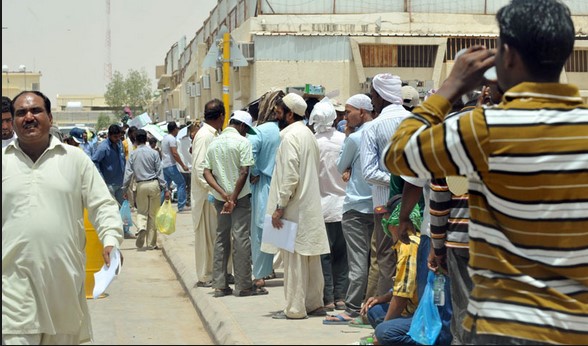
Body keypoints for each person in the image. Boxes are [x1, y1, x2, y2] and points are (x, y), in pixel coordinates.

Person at [384, 0, 587, 343]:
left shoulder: (483, 130)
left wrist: (450, 88)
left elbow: (400, 154)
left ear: (507, 56)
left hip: (502, 324)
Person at [2, 91, 123, 345]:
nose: (29, 117)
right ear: (12, 121)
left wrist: (110, 238)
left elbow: (102, 205)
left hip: (63, 290)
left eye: (35, 111)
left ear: (50, 117)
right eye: (21, 113)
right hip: (13, 294)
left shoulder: (75, 159)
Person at [262, 93, 330, 320]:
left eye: (279, 113)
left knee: (294, 261)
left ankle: (294, 308)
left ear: (291, 114)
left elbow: (290, 176)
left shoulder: (291, 138)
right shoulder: (307, 134)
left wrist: (280, 206)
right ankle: (313, 303)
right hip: (308, 205)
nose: (276, 116)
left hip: (294, 207)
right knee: (310, 258)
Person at [325, 94, 374, 324]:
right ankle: (370, 305)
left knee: (357, 261)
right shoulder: (381, 130)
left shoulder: (355, 138)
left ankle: (353, 308)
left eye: (348, 111)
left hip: (356, 206)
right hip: (379, 204)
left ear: (361, 112)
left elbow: (340, 165)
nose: (345, 116)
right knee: (376, 261)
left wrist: (347, 137)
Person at [362, 73, 413, 297]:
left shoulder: (373, 127)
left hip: (384, 206)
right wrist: (406, 181)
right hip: (415, 202)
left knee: (386, 258)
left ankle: (384, 316)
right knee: (412, 256)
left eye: (373, 95)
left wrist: (395, 180)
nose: (372, 100)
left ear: (381, 97)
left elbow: (369, 172)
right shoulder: (415, 122)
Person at [203, 110, 262, 297]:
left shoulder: (214, 143)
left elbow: (206, 172)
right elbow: (244, 172)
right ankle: (244, 285)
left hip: (221, 199)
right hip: (240, 198)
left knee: (221, 238)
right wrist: (234, 197)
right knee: (241, 238)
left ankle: (220, 285)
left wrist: (223, 194)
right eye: (247, 129)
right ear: (242, 126)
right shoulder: (243, 142)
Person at [309, 98, 349, 312]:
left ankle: (328, 298)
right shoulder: (344, 139)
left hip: (321, 207)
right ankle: (342, 296)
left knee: (324, 256)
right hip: (343, 206)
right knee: (342, 255)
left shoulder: (312, 142)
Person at [248, 89, 283, 289]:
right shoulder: (288, 129)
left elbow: (249, 154)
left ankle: (260, 273)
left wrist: (253, 171)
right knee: (282, 229)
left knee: (261, 230)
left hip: (264, 184)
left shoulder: (260, 131)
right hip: (284, 184)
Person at [191, 99, 225, 288]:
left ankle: (215, 273)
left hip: (210, 194)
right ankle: (206, 275)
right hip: (206, 197)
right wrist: (215, 191)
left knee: (214, 238)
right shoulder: (205, 136)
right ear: (221, 116)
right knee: (207, 239)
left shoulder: (211, 134)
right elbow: (199, 170)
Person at [122, 129, 169, 250]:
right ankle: (151, 244)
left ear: (136, 140)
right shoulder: (154, 153)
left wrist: (124, 188)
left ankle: (141, 227)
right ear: (147, 139)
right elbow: (159, 171)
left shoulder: (133, 154)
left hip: (140, 185)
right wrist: (165, 188)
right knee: (153, 215)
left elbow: (128, 173)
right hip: (154, 184)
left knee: (142, 212)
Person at [92, 123, 134, 239]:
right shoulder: (103, 147)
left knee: (123, 208)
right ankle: (111, 232)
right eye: (115, 137)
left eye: (119, 137)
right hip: (109, 183)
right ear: (109, 135)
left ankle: (125, 231)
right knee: (110, 209)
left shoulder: (119, 144)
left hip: (120, 182)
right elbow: (94, 161)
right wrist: (101, 178)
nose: (117, 139)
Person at [161, 121, 189, 213]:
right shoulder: (172, 139)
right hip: (170, 165)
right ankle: (181, 205)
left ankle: (160, 205)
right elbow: (174, 153)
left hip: (164, 165)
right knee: (181, 183)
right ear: (174, 129)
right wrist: (183, 165)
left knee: (165, 187)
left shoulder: (164, 138)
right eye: (177, 129)